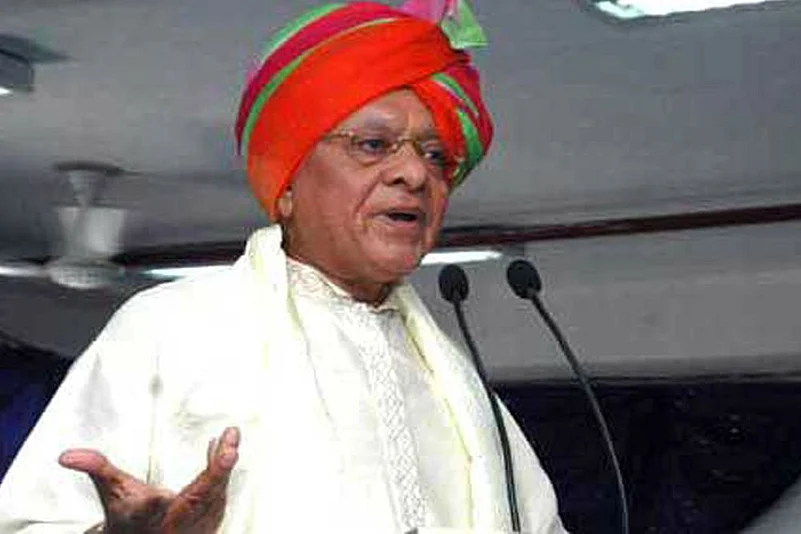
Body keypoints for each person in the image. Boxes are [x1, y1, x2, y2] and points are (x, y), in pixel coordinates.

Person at [0, 1, 568, 533]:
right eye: (373, 145)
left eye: (436, 155)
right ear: (288, 185)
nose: (415, 175)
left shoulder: (456, 385)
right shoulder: (169, 329)